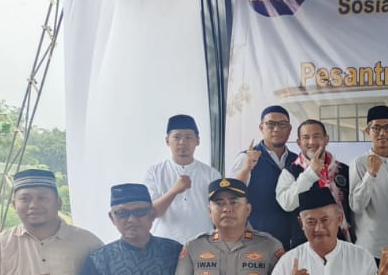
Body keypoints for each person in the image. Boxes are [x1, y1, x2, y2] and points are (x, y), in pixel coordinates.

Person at [228, 105, 300, 247]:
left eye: (282, 124)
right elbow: (230, 194)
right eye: (271, 124)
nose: (277, 129)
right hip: (256, 241)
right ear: (261, 128)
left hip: (291, 242)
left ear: (289, 129)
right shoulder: (246, 158)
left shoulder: (297, 161)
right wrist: (247, 167)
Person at [143, 114, 222, 243]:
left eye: (188, 137)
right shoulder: (154, 172)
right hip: (163, 244)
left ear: (197, 140)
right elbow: (151, 213)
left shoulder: (212, 174)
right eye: (177, 137)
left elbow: (219, 212)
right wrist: (174, 191)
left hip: (202, 243)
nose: (182, 142)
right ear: (167, 141)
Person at [276, 119, 356, 245]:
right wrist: (311, 173)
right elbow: (287, 204)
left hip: (343, 245)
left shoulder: (344, 170)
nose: (312, 142)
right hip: (305, 247)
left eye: (316, 136)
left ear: (326, 139)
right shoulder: (290, 172)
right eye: (306, 137)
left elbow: (355, 209)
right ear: (299, 142)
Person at [349, 105, 388, 258]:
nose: (382, 133)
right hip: (375, 248)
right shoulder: (359, 163)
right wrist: (370, 174)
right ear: (368, 131)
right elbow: (356, 206)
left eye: (387, 128)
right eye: (376, 128)